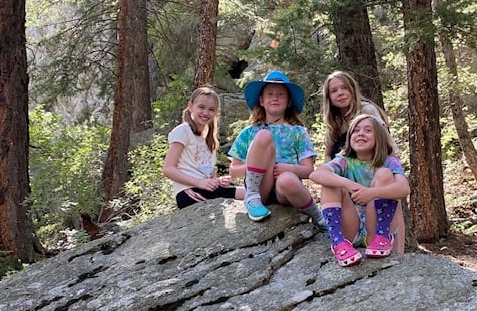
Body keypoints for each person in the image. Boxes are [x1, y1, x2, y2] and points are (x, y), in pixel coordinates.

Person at [321, 70, 406, 252]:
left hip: (376, 168)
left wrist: (391, 167)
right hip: (348, 172)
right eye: (334, 90)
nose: (340, 93)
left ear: (353, 90)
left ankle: (398, 254)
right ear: (329, 97)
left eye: (344, 88)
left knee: (390, 195)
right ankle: (341, 241)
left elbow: (386, 143)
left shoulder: (367, 110)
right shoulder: (334, 120)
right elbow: (327, 155)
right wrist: (338, 176)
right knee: (331, 185)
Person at [310, 113, 410, 267]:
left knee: (384, 174)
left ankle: (381, 237)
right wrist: (348, 184)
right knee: (330, 182)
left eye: (368, 130)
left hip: (376, 226)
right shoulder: (344, 161)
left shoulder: (389, 162)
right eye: (355, 131)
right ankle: (338, 243)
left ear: (379, 138)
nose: (361, 134)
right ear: (350, 137)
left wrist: (371, 193)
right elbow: (316, 174)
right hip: (352, 228)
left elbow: (404, 188)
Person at [228, 70, 326, 228]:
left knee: (287, 179)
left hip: (285, 190)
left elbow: (309, 171)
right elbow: (233, 171)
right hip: (260, 186)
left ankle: (318, 217)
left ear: (288, 101)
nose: (275, 97)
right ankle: (252, 198)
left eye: (281, 94)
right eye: (270, 94)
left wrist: (290, 168)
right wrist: (261, 166)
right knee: (264, 136)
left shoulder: (298, 132)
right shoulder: (248, 132)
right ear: (261, 100)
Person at [163, 85, 245, 209]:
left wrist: (218, 181)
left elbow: (205, 172)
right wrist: (199, 183)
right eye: (201, 107)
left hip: (204, 188)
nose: (206, 112)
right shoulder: (183, 131)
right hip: (189, 191)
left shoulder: (208, 137)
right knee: (251, 194)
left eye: (211, 109)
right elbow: (168, 169)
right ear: (191, 107)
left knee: (242, 190)